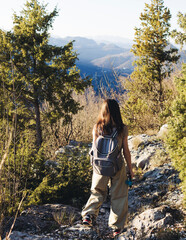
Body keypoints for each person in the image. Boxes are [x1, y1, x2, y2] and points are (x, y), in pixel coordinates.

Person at [81, 99, 134, 237]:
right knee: (119, 194)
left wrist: (94, 166)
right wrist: (130, 168)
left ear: (103, 111)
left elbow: (94, 148)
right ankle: (116, 227)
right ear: (117, 112)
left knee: (97, 191)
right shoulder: (123, 128)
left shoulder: (97, 127)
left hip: (99, 166)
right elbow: (126, 151)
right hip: (117, 166)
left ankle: (88, 216)